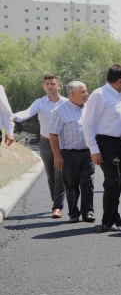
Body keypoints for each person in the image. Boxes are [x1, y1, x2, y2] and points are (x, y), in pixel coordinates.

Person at [83, 64, 121, 232]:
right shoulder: (99, 95)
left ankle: (114, 214)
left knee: (118, 183)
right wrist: (94, 150)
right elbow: (88, 125)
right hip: (106, 145)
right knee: (113, 182)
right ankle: (107, 221)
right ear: (120, 80)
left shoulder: (120, 96)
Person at [13, 74, 68, 218]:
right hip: (45, 143)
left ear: (58, 86)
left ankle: (57, 207)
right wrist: (13, 117)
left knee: (60, 175)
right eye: (47, 84)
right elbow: (27, 113)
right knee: (51, 176)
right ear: (44, 86)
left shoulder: (67, 103)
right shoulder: (40, 102)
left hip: (63, 144)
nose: (50, 86)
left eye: (52, 83)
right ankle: (56, 202)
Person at [49, 81, 94, 223]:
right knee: (71, 184)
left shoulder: (89, 108)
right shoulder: (60, 110)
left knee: (88, 183)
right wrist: (57, 156)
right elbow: (53, 134)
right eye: (84, 91)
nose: (87, 94)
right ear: (73, 93)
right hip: (69, 154)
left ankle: (88, 212)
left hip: (88, 153)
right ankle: (73, 213)